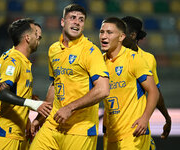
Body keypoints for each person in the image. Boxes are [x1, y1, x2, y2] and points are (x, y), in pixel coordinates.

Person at [30, 4, 110, 150]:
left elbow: (103, 90)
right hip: (53, 125)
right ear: (62, 22)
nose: (77, 22)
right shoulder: (53, 49)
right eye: (72, 18)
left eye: (81, 20)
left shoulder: (90, 51)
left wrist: (70, 108)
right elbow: (55, 85)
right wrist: (39, 119)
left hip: (80, 130)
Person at [0, 18, 52, 150]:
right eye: (35, 33)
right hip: (4, 134)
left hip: (14, 132)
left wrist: (26, 99)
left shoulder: (18, 59)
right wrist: (33, 103)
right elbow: (0, 91)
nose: (39, 36)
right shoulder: (14, 60)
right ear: (27, 37)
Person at [99, 17, 159, 150]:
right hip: (111, 133)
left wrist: (145, 118)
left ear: (121, 37)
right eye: (101, 32)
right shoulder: (100, 62)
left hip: (133, 132)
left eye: (109, 33)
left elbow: (154, 91)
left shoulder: (134, 58)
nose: (104, 36)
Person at [121, 16, 171, 139]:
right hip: (113, 125)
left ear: (132, 35)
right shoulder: (109, 57)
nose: (118, 35)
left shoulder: (148, 59)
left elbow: (155, 92)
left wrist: (167, 118)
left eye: (122, 32)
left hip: (136, 125)